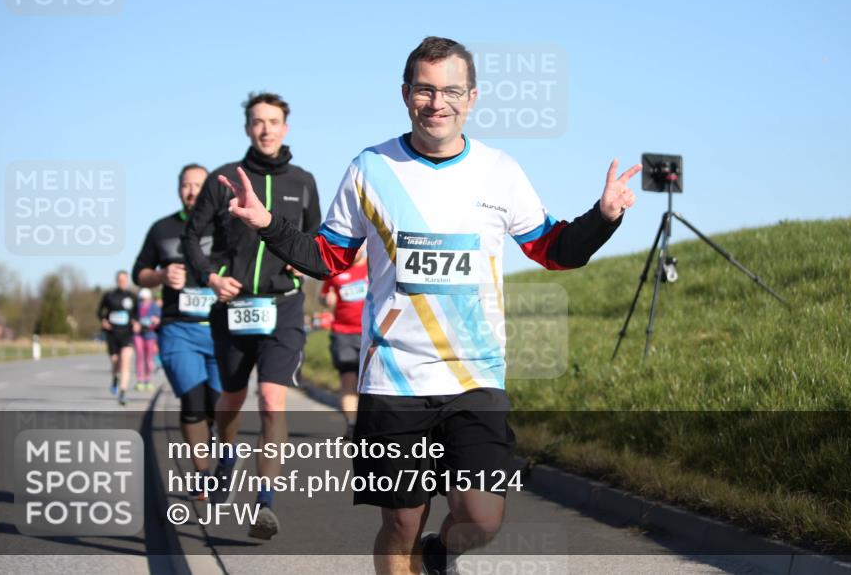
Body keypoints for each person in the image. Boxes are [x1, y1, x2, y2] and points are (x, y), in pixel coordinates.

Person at [219, 37, 641, 574]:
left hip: (475, 378)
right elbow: (327, 256)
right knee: (399, 524)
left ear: (472, 97)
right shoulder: (370, 168)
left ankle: (439, 555)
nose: (437, 102)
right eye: (425, 89)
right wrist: (267, 226)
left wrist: (603, 217)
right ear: (405, 94)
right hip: (394, 379)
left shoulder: (500, 171)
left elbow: (551, 250)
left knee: (483, 518)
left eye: (451, 90)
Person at [183, 92, 321, 539]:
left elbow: (318, 242)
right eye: (258, 121)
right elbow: (192, 238)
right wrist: (210, 278)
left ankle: (265, 502)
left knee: (271, 401)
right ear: (247, 128)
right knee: (231, 399)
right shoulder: (222, 178)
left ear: (286, 128)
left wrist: (305, 261)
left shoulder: (303, 181)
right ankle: (226, 456)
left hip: (284, 307)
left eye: (274, 121)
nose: (266, 129)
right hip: (234, 308)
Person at [133, 163, 222, 500]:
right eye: (186, 185)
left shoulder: (225, 225)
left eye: (199, 185)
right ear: (178, 189)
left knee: (218, 404)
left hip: (220, 329)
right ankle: (203, 476)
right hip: (178, 328)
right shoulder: (162, 229)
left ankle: (218, 443)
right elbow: (139, 271)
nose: (191, 191)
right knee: (192, 402)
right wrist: (160, 275)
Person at [317, 246, 367, 437]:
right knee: (348, 379)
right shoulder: (336, 269)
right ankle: (352, 424)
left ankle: (369, 422)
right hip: (343, 333)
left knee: (370, 381)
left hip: (371, 333)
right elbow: (323, 295)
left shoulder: (374, 266)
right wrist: (326, 300)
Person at [97, 270, 137, 406]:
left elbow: (137, 314)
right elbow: (99, 311)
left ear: (127, 281)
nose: (122, 282)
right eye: (120, 280)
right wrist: (103, 320)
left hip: (127, 334)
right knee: (115, 362)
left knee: (126, 362)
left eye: (124, 280)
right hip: (112, 334)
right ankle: (115, 378)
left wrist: (136, 322)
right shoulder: (109, 296)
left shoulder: (132, 296)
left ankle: (123, 393)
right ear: (116, 280)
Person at [133, 287, 161, 391]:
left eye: (146, 299)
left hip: (150, 334)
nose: (144, 301)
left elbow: (159, 320)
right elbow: (132, 318)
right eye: (142, 299)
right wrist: (134, 323)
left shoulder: (154, 307)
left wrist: (155, 321)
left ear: (150, 298)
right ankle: (140, 380)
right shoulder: (136, 306)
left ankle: (148, 380)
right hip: (138, 334)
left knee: (149, 358)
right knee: (140, 356)